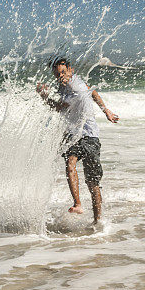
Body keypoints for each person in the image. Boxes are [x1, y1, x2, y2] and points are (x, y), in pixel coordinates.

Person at [37, 57, 119, 223]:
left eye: (63, 72)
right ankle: (78, 204)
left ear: (71, 70)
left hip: (89, 136)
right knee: (70, 163)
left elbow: (60, 107)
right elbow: (93, 92)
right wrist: (106, 111)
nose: (61, 77)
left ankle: (97, 220)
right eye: (57, 74)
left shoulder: (76, 85)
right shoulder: (65, 87)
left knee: (92, 182)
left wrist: (44, 96)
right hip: (74, 135)